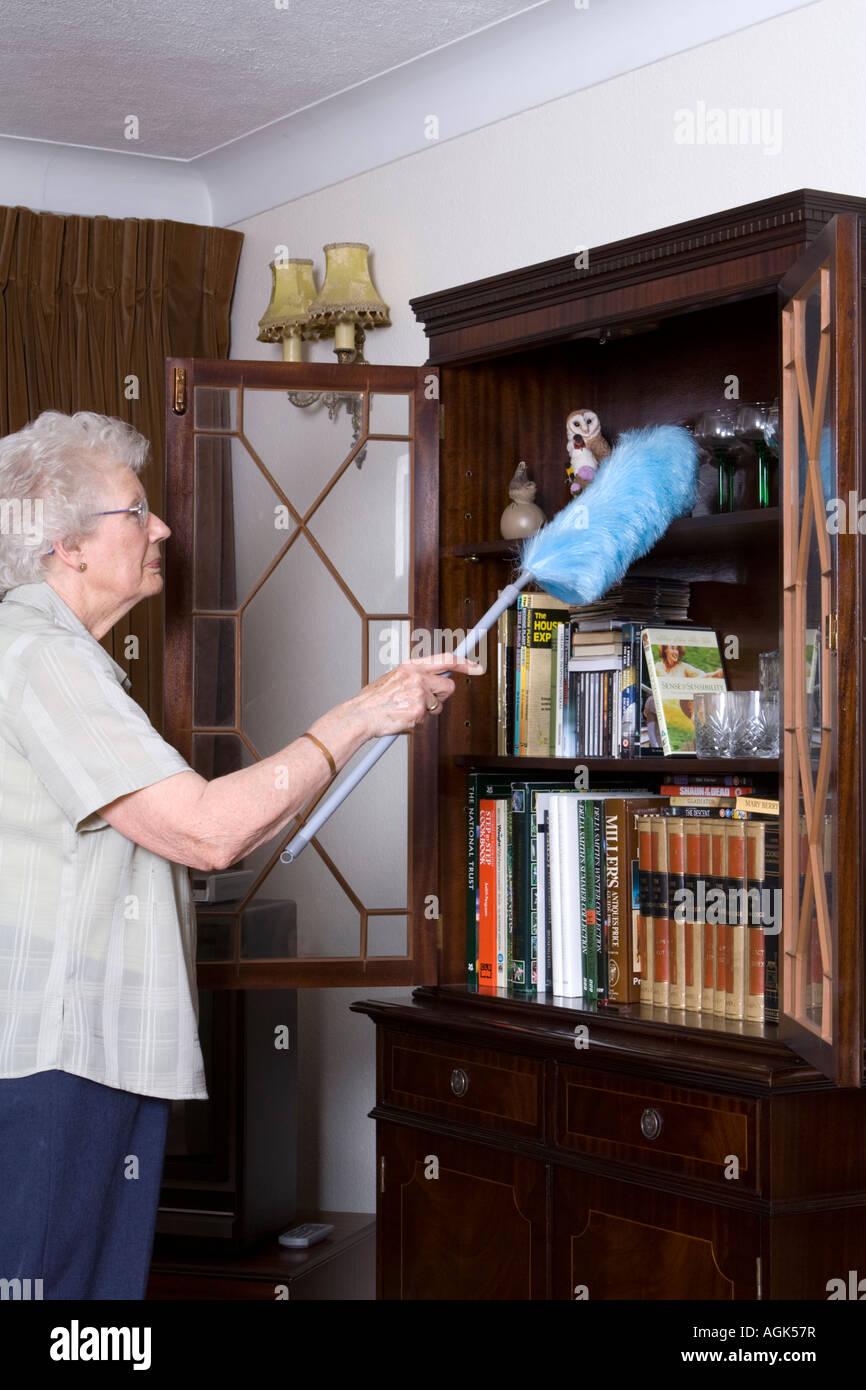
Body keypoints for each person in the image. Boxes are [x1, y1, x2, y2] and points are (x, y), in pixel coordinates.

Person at [0, 410, 482, 1300]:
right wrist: (365, 713)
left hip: (75, 1056)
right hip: (53, 1064)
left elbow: (214, 838)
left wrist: (366, 721)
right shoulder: (43, 662)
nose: (163, 529)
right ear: (65, 543)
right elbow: (206, 829)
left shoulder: (50, 656)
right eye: (137, 512)